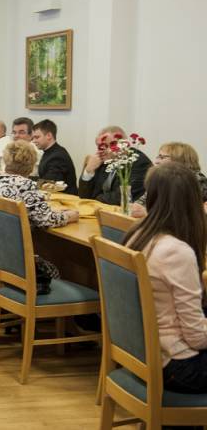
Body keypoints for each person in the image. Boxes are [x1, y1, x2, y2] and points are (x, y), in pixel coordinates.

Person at [122, 162, 207, 394]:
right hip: (177, 365)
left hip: (144, 351)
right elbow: (196, 338)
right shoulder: (177, 251)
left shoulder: (137, 235)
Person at [0, 140, 78, 277]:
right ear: (32, 165)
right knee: (52, 272)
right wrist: (69, 215)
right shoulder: (26, 186)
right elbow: (47, 220)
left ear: (6, 161)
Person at [79, 125, 153, 206]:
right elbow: (83, 196)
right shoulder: (102, 161)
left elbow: (121, 197)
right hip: (103, 209)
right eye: (100, 146)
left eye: (110, 145)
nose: (103, 150)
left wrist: (94, 199)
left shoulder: (138, 162)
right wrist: (88, 171)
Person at [131, 142, 207, 217]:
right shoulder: (162, 177)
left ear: (179, 159)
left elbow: (179, 214)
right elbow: (142, 202)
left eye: (162, 157)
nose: (156, 162)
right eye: (158, 157)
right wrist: (136, 208)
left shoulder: (195, 180)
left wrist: (147, 212)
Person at [32, 119, 78, 195]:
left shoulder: (57, 156)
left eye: (37, 137)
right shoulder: (51, 151)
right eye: (33, 138)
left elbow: (48, 184)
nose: (34, 141)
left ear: (49, 136)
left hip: (65, 199)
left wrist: (26, 180)